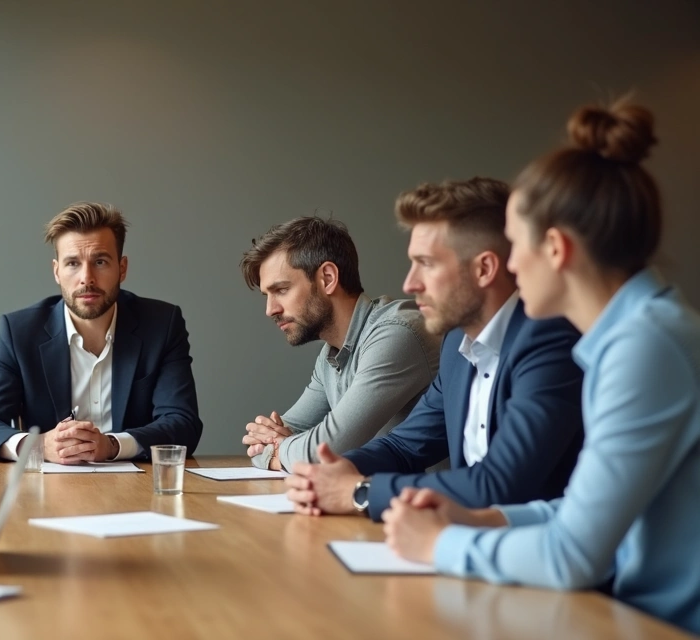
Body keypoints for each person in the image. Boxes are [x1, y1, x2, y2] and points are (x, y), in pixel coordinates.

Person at [382, 100, 700, 634]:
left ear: (555, 249)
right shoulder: (633, 334)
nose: (506, 264)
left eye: (515, 244)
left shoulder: (645, 345)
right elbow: (579, 511)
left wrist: (440, 543)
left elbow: (573, 555)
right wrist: (481, 519)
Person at [283, 178, 584, 521]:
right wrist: (334, 471)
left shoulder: (550, 342)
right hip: (466, 544)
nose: (410, 284)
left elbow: (502, 484)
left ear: (484, 269)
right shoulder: (458, 343)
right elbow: (405, 446)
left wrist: (358, 492)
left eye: (426, 263)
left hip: (540, 561)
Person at [0, 202, 202, 462]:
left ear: (122, 268)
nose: (86, 278)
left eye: (100, 261)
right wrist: (40, 446)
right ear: (56, 271)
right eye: (73, 263)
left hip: (139, 489)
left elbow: (183, 423)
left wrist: (112, 445)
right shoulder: (20, 332)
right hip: (48, 493)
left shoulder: (162, 325)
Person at [239, 216, 441, 471]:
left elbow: (327, 449)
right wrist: (279, 449)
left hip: (436, 506)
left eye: (281, 290)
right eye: (267, 295)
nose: (270, 310)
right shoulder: (330, 356)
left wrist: (282, 451)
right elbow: (263, 444)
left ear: (327, 278)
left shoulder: (397, 333)